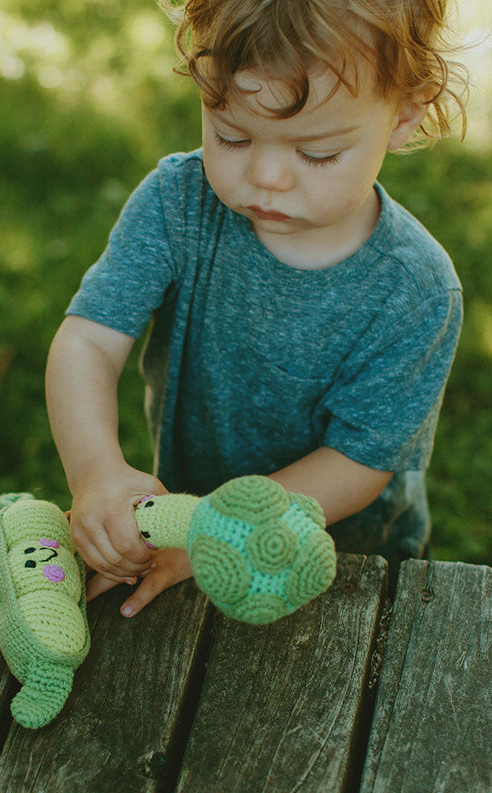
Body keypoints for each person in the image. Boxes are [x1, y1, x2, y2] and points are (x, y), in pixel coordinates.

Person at [45, 0, 468, 618]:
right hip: (180, 533)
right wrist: (95, 473)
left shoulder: (414, 290)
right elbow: (88, 341)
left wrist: (218, 535)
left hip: (343, 567)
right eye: (231, 135)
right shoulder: (178, 204)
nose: (265, 175)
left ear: (404, 114)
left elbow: (358, 462)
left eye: (317, 153)